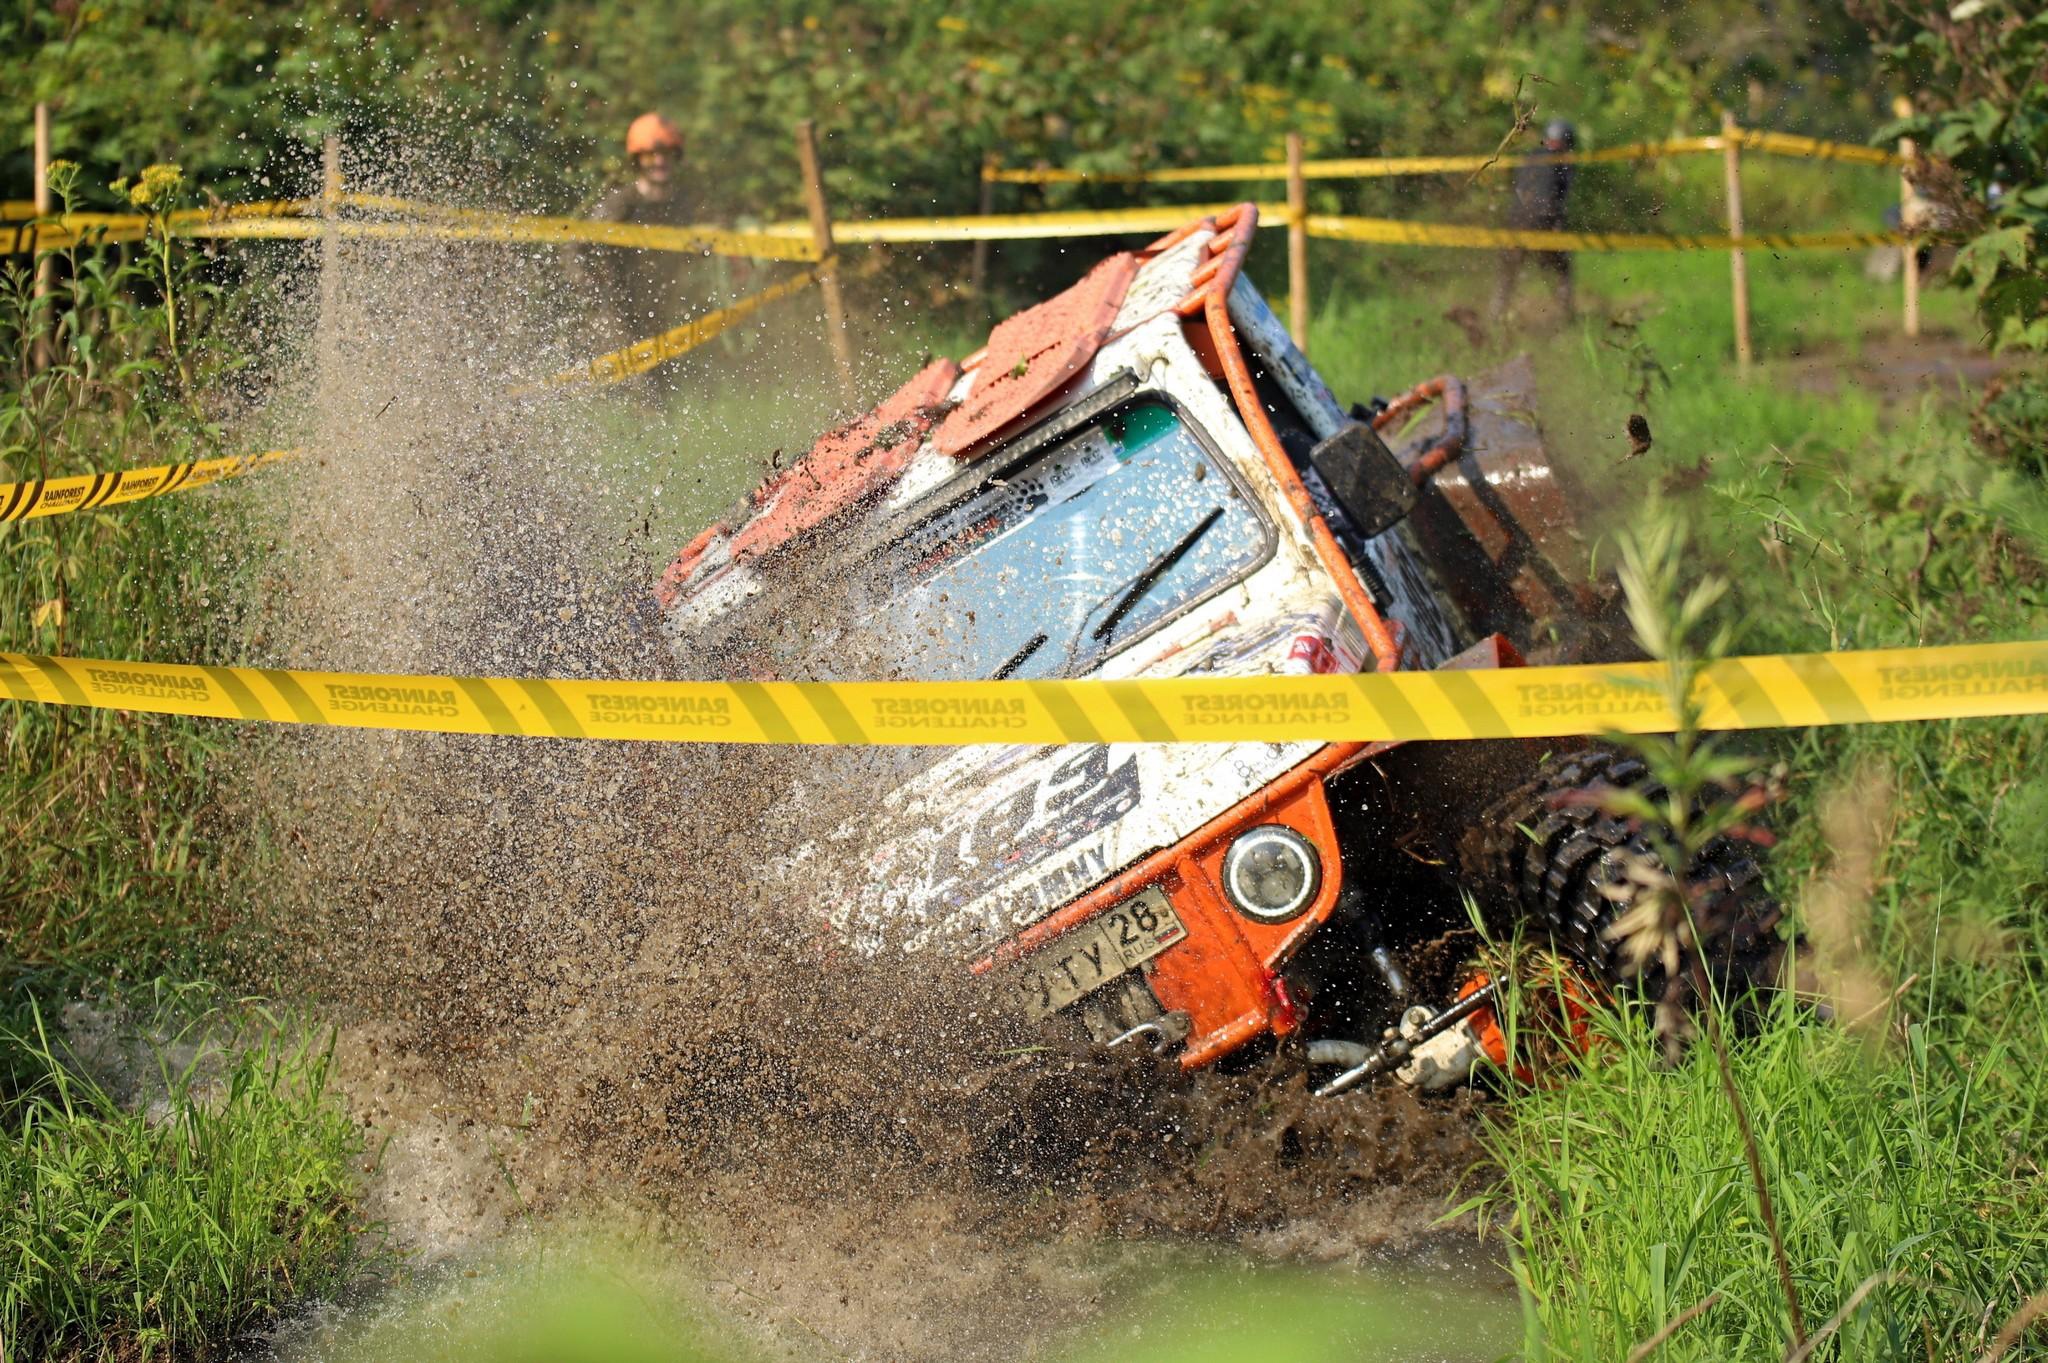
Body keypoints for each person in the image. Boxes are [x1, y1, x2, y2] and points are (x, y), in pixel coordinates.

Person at [571, 112, 721, 348]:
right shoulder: (620, 203)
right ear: (638, 159)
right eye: (651, 155)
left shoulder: (682, 205)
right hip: (617, 313)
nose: (660, 162)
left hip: (660, 312)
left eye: (666, 154)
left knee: (662, 381)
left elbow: (693, 251)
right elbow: (577, 246)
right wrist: (593, 294)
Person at [1491, 118, 1578, 325]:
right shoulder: (1563, 162)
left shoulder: (1529, 157)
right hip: (1545, 220)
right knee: (1562, 270)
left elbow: (1520, 189)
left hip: (1516, 220)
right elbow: (1558, 197)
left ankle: (1495, 312)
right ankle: (1566, 317)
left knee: (1509, 272)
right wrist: (1557, 225)